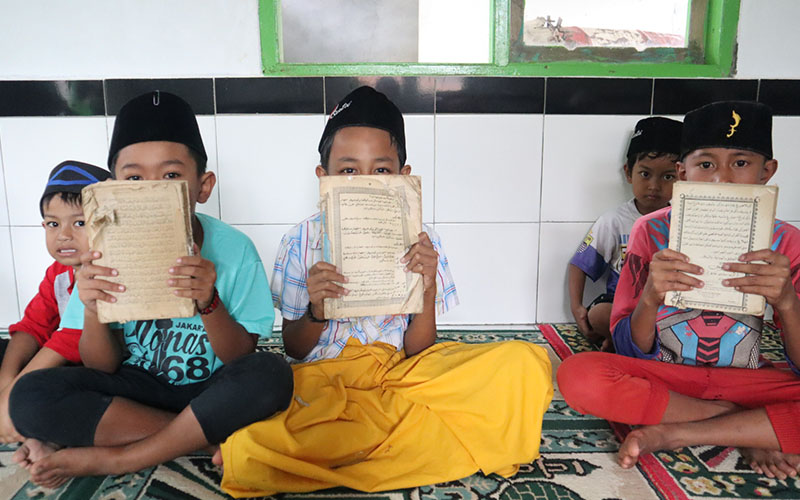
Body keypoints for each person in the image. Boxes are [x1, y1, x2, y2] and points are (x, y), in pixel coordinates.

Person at [216, 86, 554, 497]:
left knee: (524, 363)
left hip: (399, 374)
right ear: (323, 177)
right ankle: (406, 442)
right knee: (283, 420)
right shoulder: (301, 241)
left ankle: (356, 445)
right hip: (324, 380)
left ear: (403, 176)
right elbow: (295, 348)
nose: (364, 183)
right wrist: (316, 310)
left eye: (380, 170)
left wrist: (426, 288)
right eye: (348, 171)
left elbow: (420, 349)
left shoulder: (422, 241)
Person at [8, 91, 293, 488]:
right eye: (135, 179)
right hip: (134, 390)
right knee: (29, 396)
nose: (153, 191)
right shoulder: (102, 254)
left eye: (171, 176)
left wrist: (208, 302)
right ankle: (200, 438)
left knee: (271, 373)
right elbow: (101, 367)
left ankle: (121, 456)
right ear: (112, 189)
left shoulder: (235, 249)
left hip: (208, 390)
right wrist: (92, 310)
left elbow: (238, 356)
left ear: (203, 186)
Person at [557, 101, 800, 480]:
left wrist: (787, 303)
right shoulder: (650, 230)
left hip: (746, 380)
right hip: (666, 375)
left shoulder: (787, 242)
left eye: (740, 163)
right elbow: (627, 347)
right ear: (683, 173)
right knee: (578, 375)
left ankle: (676, 433)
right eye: (706, 165)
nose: (721, 179)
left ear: (767, 171)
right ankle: (746, 426)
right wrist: (651, 297)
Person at [0, 161, 111, 443]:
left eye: (80, 223)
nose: (63, 235)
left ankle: (39, 432)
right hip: (61, 362)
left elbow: (69, 340)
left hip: (104, 373)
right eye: (53, 224)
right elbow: (32, 326)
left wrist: (12, 396)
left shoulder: (109, 274)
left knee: (52, 395)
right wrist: (7, 380)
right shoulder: (59, 272)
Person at [569, 117, 682, 351]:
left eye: (667, 177)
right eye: (645, 174)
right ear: (629, 173)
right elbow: (579, 264)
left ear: (682, 177)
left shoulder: (684, 222)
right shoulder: (614, 220)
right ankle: (627, 339)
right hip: (620, 305)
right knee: (598, 314)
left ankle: (623, 342)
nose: (654, 185)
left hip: (666, 308)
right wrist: (576, 307)